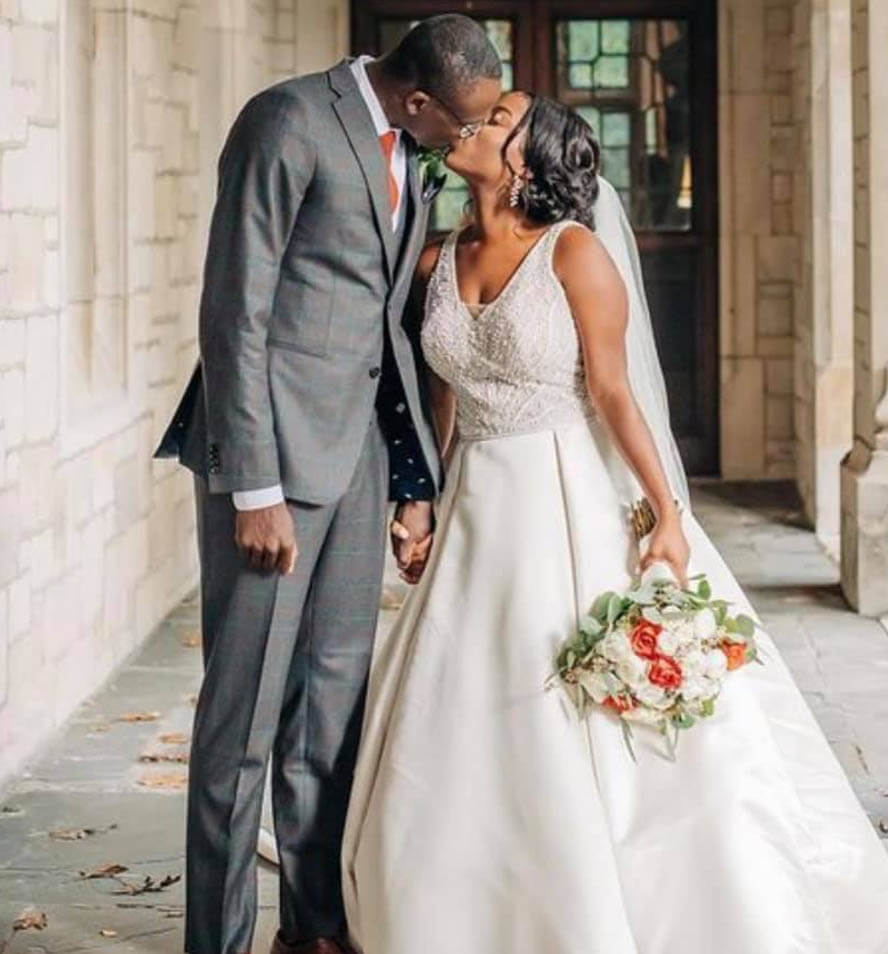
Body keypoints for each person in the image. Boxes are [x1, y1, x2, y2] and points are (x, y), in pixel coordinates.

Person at [340, 91, 888, 954]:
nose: (474, 122)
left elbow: (614, 391)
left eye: (499, 118)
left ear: (526, 157)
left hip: (570, 495)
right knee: (465, 688)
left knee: (580, 696)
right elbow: (440, 395)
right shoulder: (438, 258)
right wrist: (424, 500)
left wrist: (668, 513)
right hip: (480, 497)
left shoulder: (575, 253)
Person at [153, 17, 502, 954]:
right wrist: (251, 485)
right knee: (244, 725)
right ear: (418, 98)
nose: (465, 143)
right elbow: (236, 308)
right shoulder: (286, 121)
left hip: (355, 463)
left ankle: (313, 931)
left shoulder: (409, 151)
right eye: (459, 126)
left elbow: (386, 327)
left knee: (331, 715)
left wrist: (409, 474)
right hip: (271, 464)